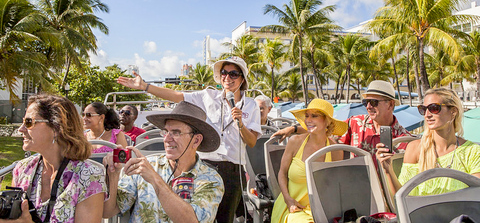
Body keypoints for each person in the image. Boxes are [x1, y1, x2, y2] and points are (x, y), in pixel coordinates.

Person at [117, 56, 261, 223]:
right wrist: (145, 86)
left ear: (242, 78)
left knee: (225, 218)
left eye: (233, 74)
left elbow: (251, 142)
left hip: (232, 168)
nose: (227, 78)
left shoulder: (251, 105)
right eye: (224, 73)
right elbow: (176, 95)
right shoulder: (207, 96)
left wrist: (240, 124)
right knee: (192, 213)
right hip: (203, 166)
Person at [102, 101, 224, 223]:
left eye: (176, 133)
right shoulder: (144, 166)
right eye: (165, 132)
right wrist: (113, 176)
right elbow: (108, 212)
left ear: (196, 140)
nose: (166, 139)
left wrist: (155, 179)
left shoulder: (210, 178)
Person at [1, 94, 106, 223]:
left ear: (57, 127)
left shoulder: (89, 177)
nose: (21, 129)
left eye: (28, 122)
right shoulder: (22, 170)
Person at [272, 80, 411, 163]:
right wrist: (293, 129)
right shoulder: (356, 123)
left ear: (391, 105)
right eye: (366, 102)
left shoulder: (405, 140)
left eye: (374, 102)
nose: (368, 107)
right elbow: (325, 128)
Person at [377, 88, 480, 196]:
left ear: (453, 111)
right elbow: (402, 199)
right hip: (420, 212)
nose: (427, 114)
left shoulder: (472, 151)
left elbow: (475, 197)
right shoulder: (416, 149)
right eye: (423, 109)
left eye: (434, 108)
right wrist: (388, 170)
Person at [271, 99, 347, 223]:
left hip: (323, 209)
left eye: (314, 116)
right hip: (293, 207)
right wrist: (287, 199)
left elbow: (336, 185)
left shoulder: (335, 149)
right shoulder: (295, 142)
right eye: (307, 116)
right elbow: (282, 173)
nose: (308, 120)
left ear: (327, 121)